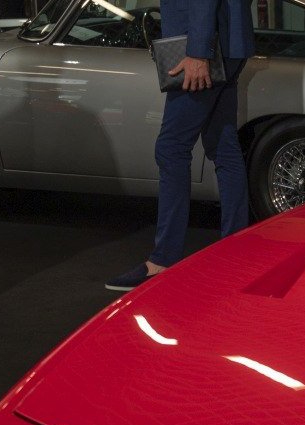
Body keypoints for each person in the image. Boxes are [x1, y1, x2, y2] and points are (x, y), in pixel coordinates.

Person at [105, 0, 255, 292]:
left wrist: (198, 51)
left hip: (204, 46)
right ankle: (236, 251)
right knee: (223, 146)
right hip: (230, 39)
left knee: (171, 148)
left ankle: (164, 259)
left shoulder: (200, 49)